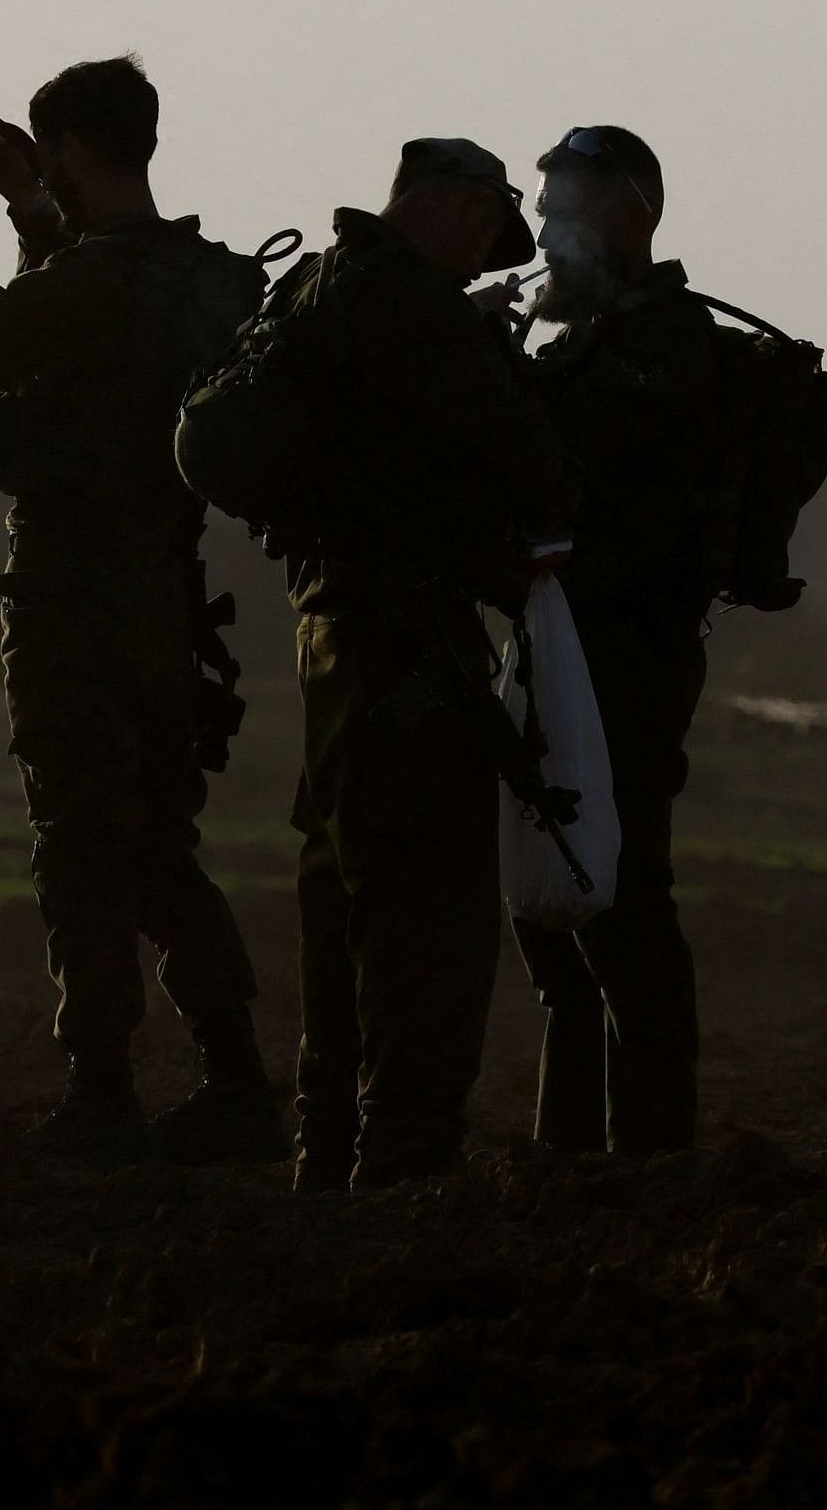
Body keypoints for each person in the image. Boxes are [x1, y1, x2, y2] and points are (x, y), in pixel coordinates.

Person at [0, 55, 282, 1164]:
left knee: (79, 844)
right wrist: (37, 214)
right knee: (156, 846)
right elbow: (89, 321)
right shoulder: (207, 278)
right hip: (164, 599)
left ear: (75, 150)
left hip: (75, 599)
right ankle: (234, 1076)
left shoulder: (99, 283)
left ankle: (99, 1094)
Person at [277, 138, 576, 1189]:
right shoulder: (422, 316)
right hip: (409, 644)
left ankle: (324, 1148)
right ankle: (402, 1163)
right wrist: (492, 352)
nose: (481, 258)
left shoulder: (314, 285)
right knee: (432, 916)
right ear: (452, 207)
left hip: (328, 631)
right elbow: (529, 460)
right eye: (484, 232)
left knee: (340, 901)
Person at [512, 125, 720, 1154]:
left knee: (622, 896)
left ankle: (648, 1156)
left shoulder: (666, 346)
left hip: (629, 655)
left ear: (628, 214)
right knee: (558, 909)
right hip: (566, 648)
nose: (545, 233)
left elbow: (571, 462)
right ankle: (572, 1159)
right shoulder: (589, 342)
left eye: (564, 209)